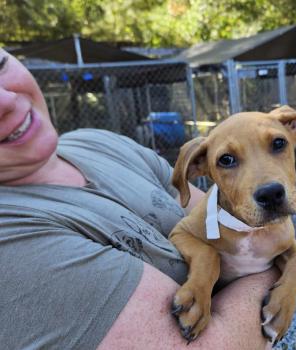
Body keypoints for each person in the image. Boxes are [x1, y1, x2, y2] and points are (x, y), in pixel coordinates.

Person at [0, 48, 278, 349]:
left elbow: (241, 220)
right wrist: (280, 267)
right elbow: (218, 344)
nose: (6, 101)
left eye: (0, 64)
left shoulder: (97, 141)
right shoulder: (11, 243)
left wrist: (268, 243)